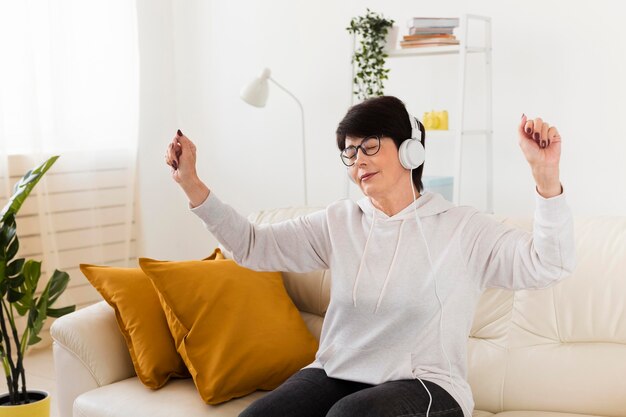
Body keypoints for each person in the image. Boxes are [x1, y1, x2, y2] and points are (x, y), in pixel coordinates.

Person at [164, 96, 576, 417]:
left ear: (410, 151)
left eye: (370, 146)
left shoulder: (462, 228)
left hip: (428, 386)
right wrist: (192, 185)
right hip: (338, 372)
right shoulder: (339, 221)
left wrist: (546, 178)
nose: (358, 160)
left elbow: (548, 263)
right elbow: (253, 246)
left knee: (351, 415)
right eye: (349, 151)